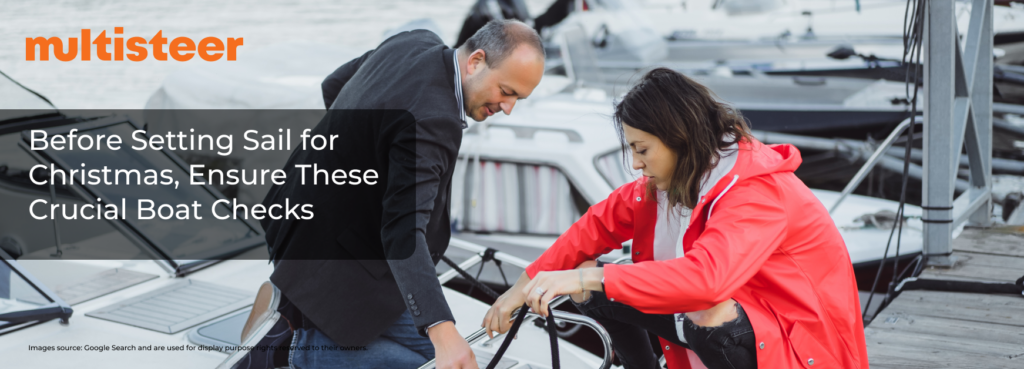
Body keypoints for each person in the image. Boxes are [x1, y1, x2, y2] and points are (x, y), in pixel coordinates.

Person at [482, 68, 868, 369]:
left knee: (704, 307)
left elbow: (705, 281)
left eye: (642, 149)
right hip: (759, 327)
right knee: (590, 280)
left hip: (807, 351)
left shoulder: (756, 192)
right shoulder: (674, 180)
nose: (635, 163)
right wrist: (521, 288)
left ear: (679, 137)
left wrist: (584, 276)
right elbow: (595, 225)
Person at [219, 20, 545, 369]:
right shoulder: (435, 119)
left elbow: (335, 84)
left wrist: (359, 164)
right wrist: (442, 329)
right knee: (415, 361)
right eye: (506, 91)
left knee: (431, 357)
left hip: (297, 211)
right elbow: (403, 231)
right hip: (329, 254)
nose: (508, 107)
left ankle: (289, 300)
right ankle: (300, 346)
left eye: (518, 99)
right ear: (476, 61)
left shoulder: (415, 43)